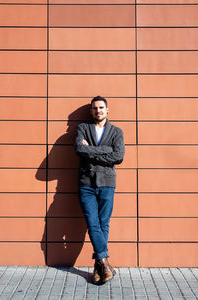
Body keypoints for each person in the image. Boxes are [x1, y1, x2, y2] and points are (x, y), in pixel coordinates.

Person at [74, 96, 125, 284]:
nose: (98, 111)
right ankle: (105, 264)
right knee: (93, 224)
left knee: (104, 224)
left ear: (107, 110)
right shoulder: (82, 129)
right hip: (86, 183)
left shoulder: (117, 132)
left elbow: (118, 156)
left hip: (107, 183)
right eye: (95, 108)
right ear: (91, 111)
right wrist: (105, 151)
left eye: (101, 107)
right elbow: (79, 149)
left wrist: (92, 151)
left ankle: (98, 266)